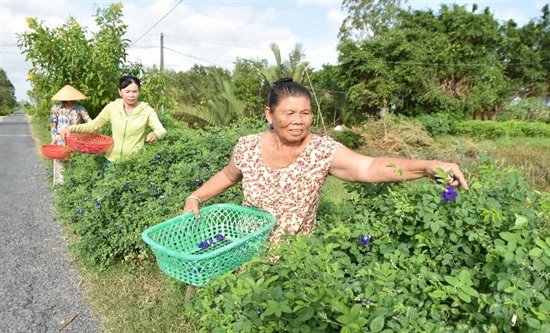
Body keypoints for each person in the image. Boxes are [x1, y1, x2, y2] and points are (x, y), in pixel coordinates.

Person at [183, 78, 469, 244]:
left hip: (296, 259)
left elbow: (368, 167)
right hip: (245, 249)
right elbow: (228, 175)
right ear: (269, 114)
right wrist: (195, 197)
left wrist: (427, 166)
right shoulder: (247, 146)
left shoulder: (321, 151)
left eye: (305, 113)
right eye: (289, 113)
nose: (298, 121)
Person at [61, 75, 166, 169]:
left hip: (134, 163)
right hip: (111, 161)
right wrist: (71, 128)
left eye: (135, 91)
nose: (131, 95)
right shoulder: (112, 107)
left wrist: (155, 134)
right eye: (127, 91)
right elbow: (94, 125)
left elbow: (161, 129)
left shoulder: (147, 110)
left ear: (139, 92)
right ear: (120, 92)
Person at [50, 85, 92, 184]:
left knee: (74, 161)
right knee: (60, 162)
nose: (72, 100)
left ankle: (73, 185)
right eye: (69, 98)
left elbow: (89, 121)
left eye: (73, 98)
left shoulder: (80, 109)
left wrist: (96, 126)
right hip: (60, 139)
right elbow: (53, 125)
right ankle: (59, 185)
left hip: (75, 139)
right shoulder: (55, 109)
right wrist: (53, 139)